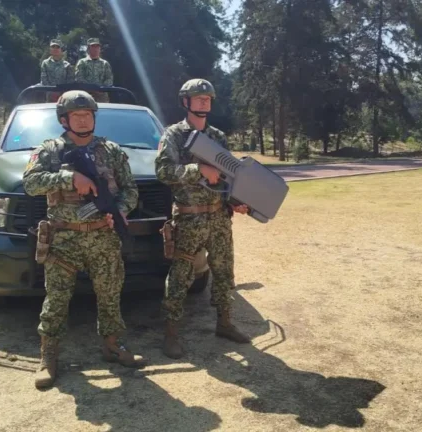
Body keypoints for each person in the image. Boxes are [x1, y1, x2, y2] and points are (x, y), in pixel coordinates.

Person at [22, 90, 146, 389]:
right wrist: (69, 178)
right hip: (63, 239)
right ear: (64, 119)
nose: (82, 120)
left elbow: (130, 189)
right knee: (56, 299)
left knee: (110, 295)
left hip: (103, 237)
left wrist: (120, 210)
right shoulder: (49, 150)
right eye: (76, 115)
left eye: (87, 114)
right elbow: (30, 183)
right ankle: (48, 357)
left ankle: (113, 345)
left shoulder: (111, 151)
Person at [154, 78, 251, 359]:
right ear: (186, 102)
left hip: (219, 217)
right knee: (181, 276)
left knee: (223, 271)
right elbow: (163, 172)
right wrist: (198, 170)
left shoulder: (217, 136)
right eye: (198, 97)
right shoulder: (173, 135)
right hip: (189, 218)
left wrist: (236, 200)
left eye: (207, 98)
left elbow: (227, 177)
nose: (204, 101)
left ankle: (225, 323)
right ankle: (171, 334)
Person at [74, 38, 113, 103]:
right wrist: (91, 88)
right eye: (93, 46)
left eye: (97, 46)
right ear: (88, 49)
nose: (95, 49)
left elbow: (109, 79)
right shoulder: (82, 62)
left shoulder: (105, 63)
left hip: (102, 97)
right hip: (86, 95)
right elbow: (79, 78)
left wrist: (101, 89)